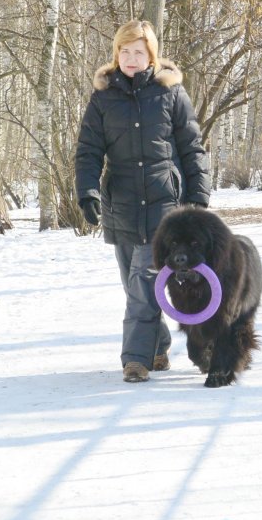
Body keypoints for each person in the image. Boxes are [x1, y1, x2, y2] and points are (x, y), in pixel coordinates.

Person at [75, 20, 211, 383]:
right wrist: (87, 192)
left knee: (141, 282)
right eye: (125, 51)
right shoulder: (103, 99)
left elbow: (192, 148)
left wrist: (198, 197)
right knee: (134, 285)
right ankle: (157, 347)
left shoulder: (170, 93)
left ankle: (136, 360)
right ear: (116, 53)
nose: (131, 58)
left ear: (151, 55)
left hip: (165, 207)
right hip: (121, 206)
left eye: (138, 51)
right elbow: (88, 151)